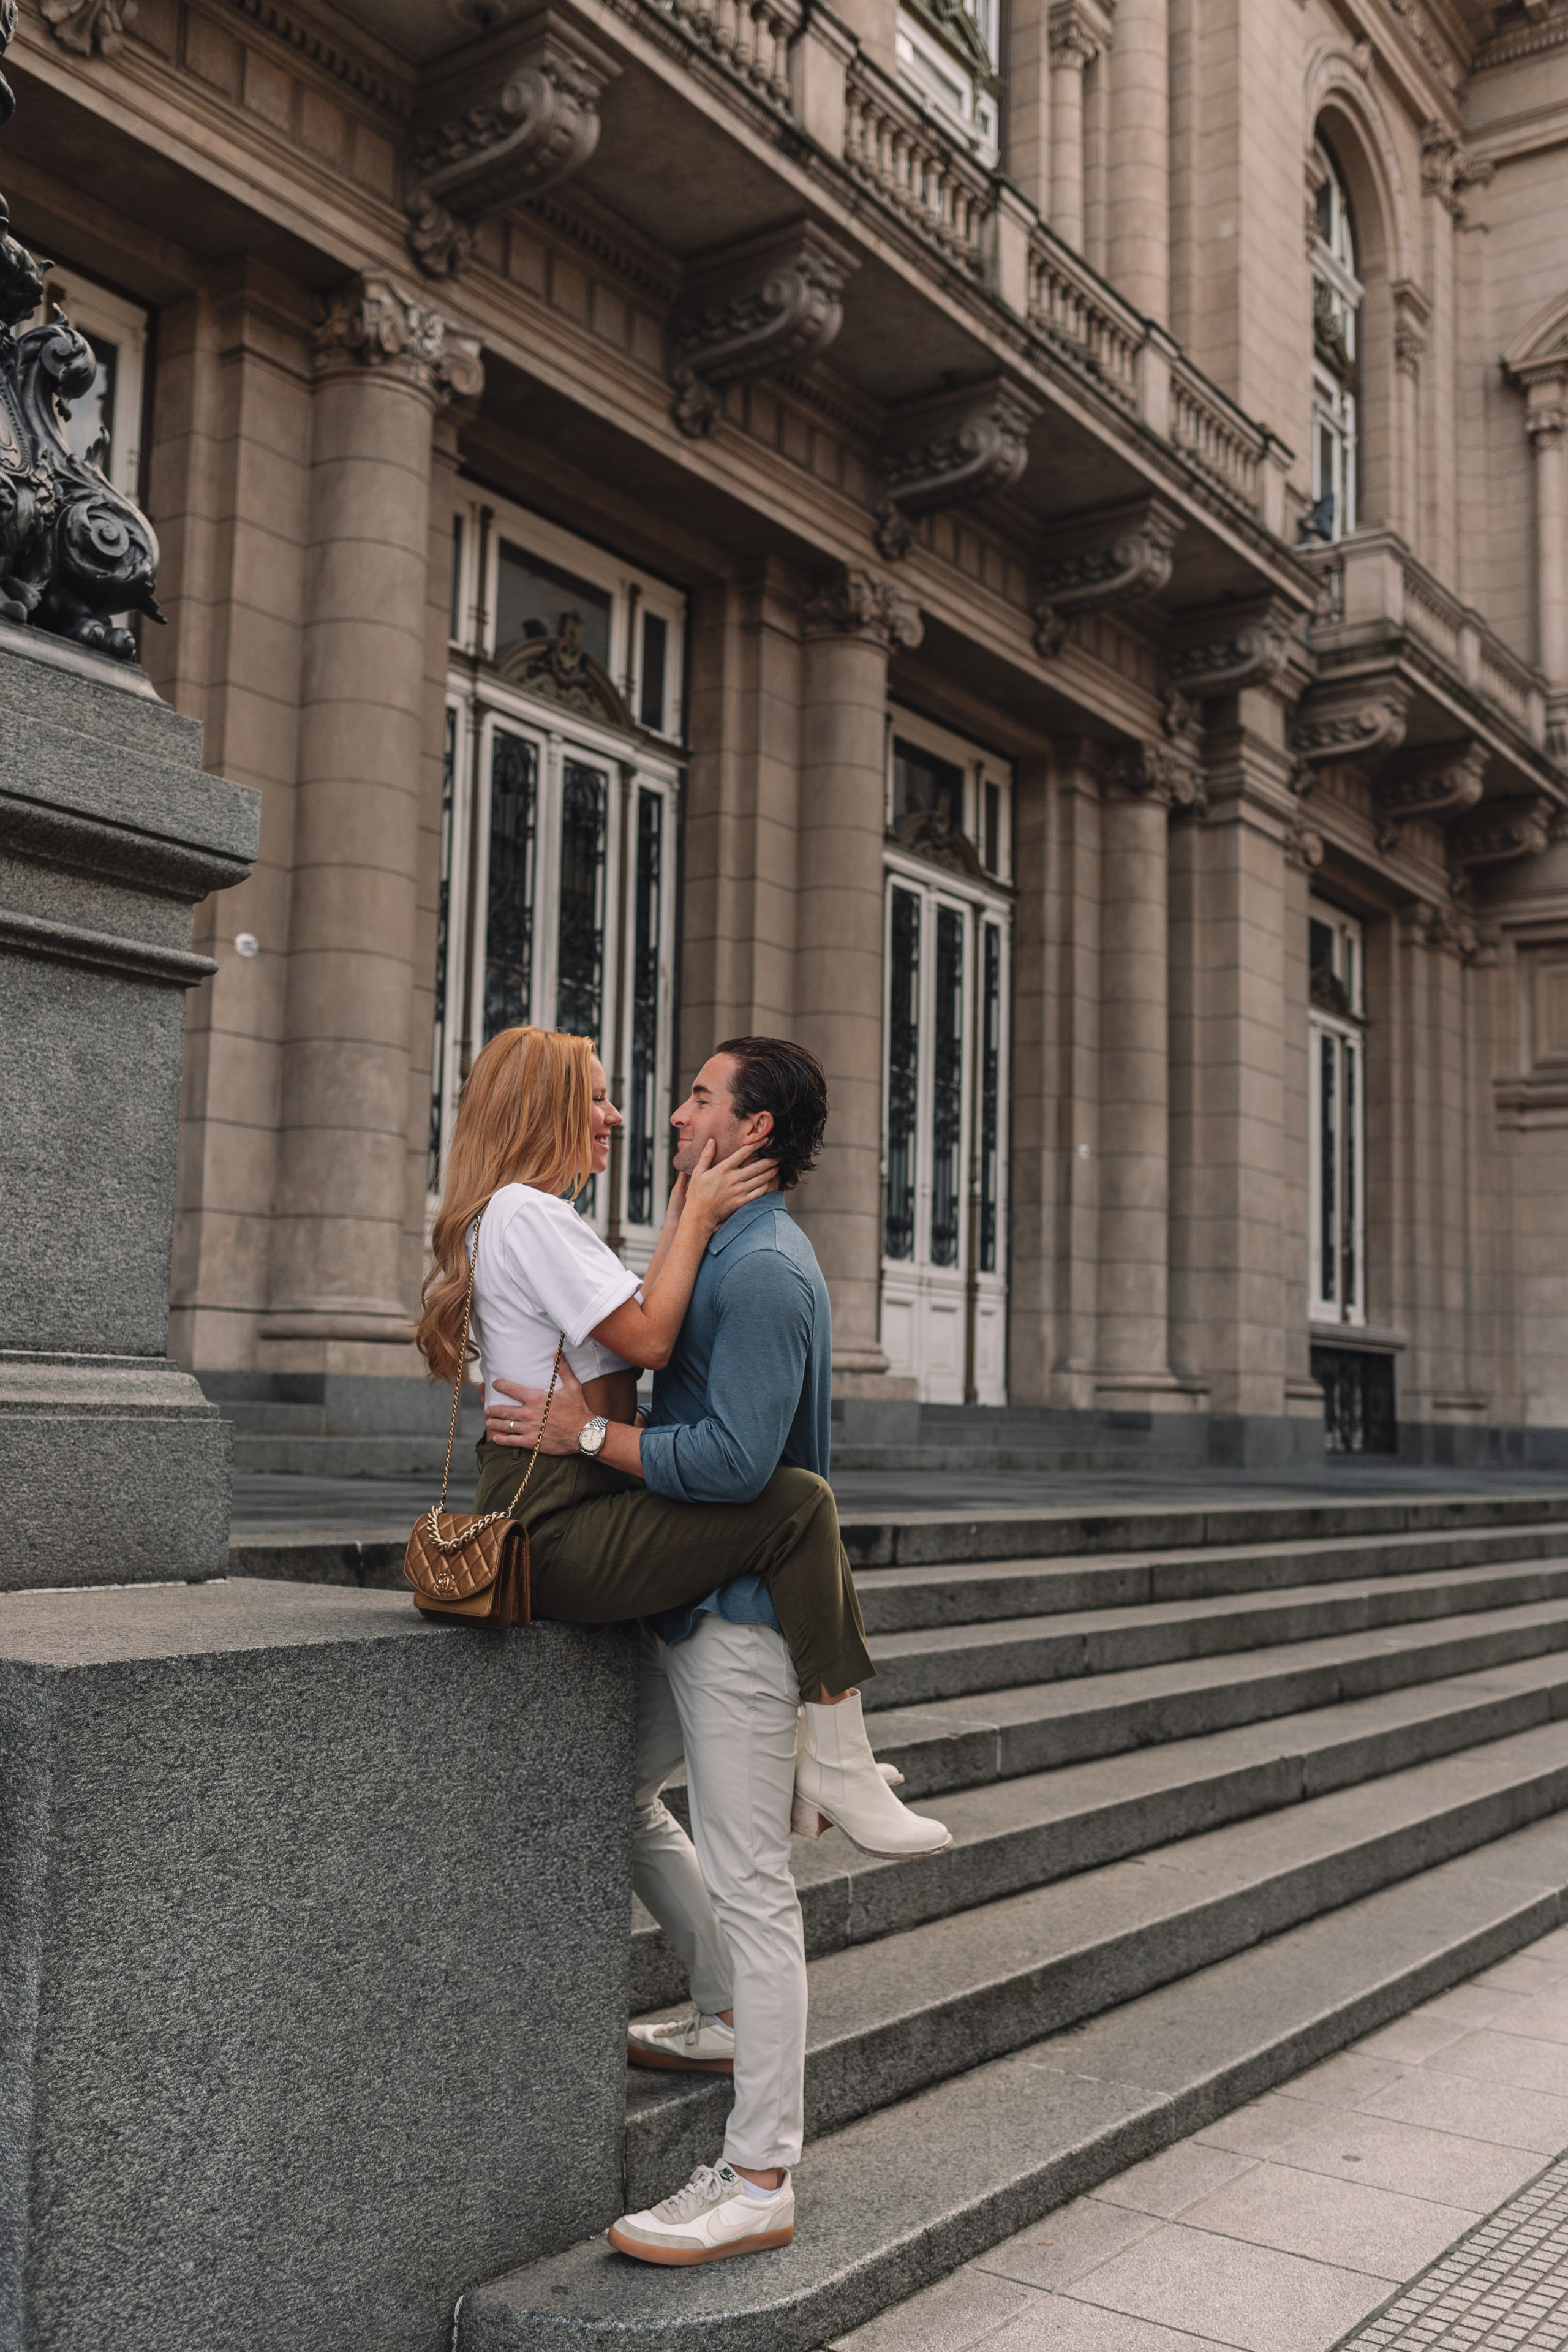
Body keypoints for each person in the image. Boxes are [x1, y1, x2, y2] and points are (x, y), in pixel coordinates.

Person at [482, 1035, 949, 2269]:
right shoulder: (719, 1248)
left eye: (697, 1097)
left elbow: (741, 1468)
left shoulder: (763, 1276)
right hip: (686, 1599)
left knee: (754, 1883)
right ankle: (723, 2006)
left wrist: (584, 1441)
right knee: (627, 1796)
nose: (667, 1114)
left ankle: (756, 2174)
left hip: (736, 1615)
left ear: (746, 1132)